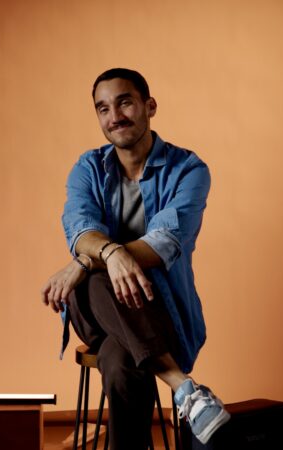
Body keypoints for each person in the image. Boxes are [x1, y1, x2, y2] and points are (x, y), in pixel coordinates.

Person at [41, 68, 229, 448]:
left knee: (120, 362)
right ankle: (184, 388)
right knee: (97, 280)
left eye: (124, 102)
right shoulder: (88, 168)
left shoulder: (189, 170)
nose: (115, 117)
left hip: (159, 313)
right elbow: (80, 229)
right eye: (103, 108)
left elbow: (166, 241)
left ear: (150, 106)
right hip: (96, 310)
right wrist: (107, 254)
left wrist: (86, 260)